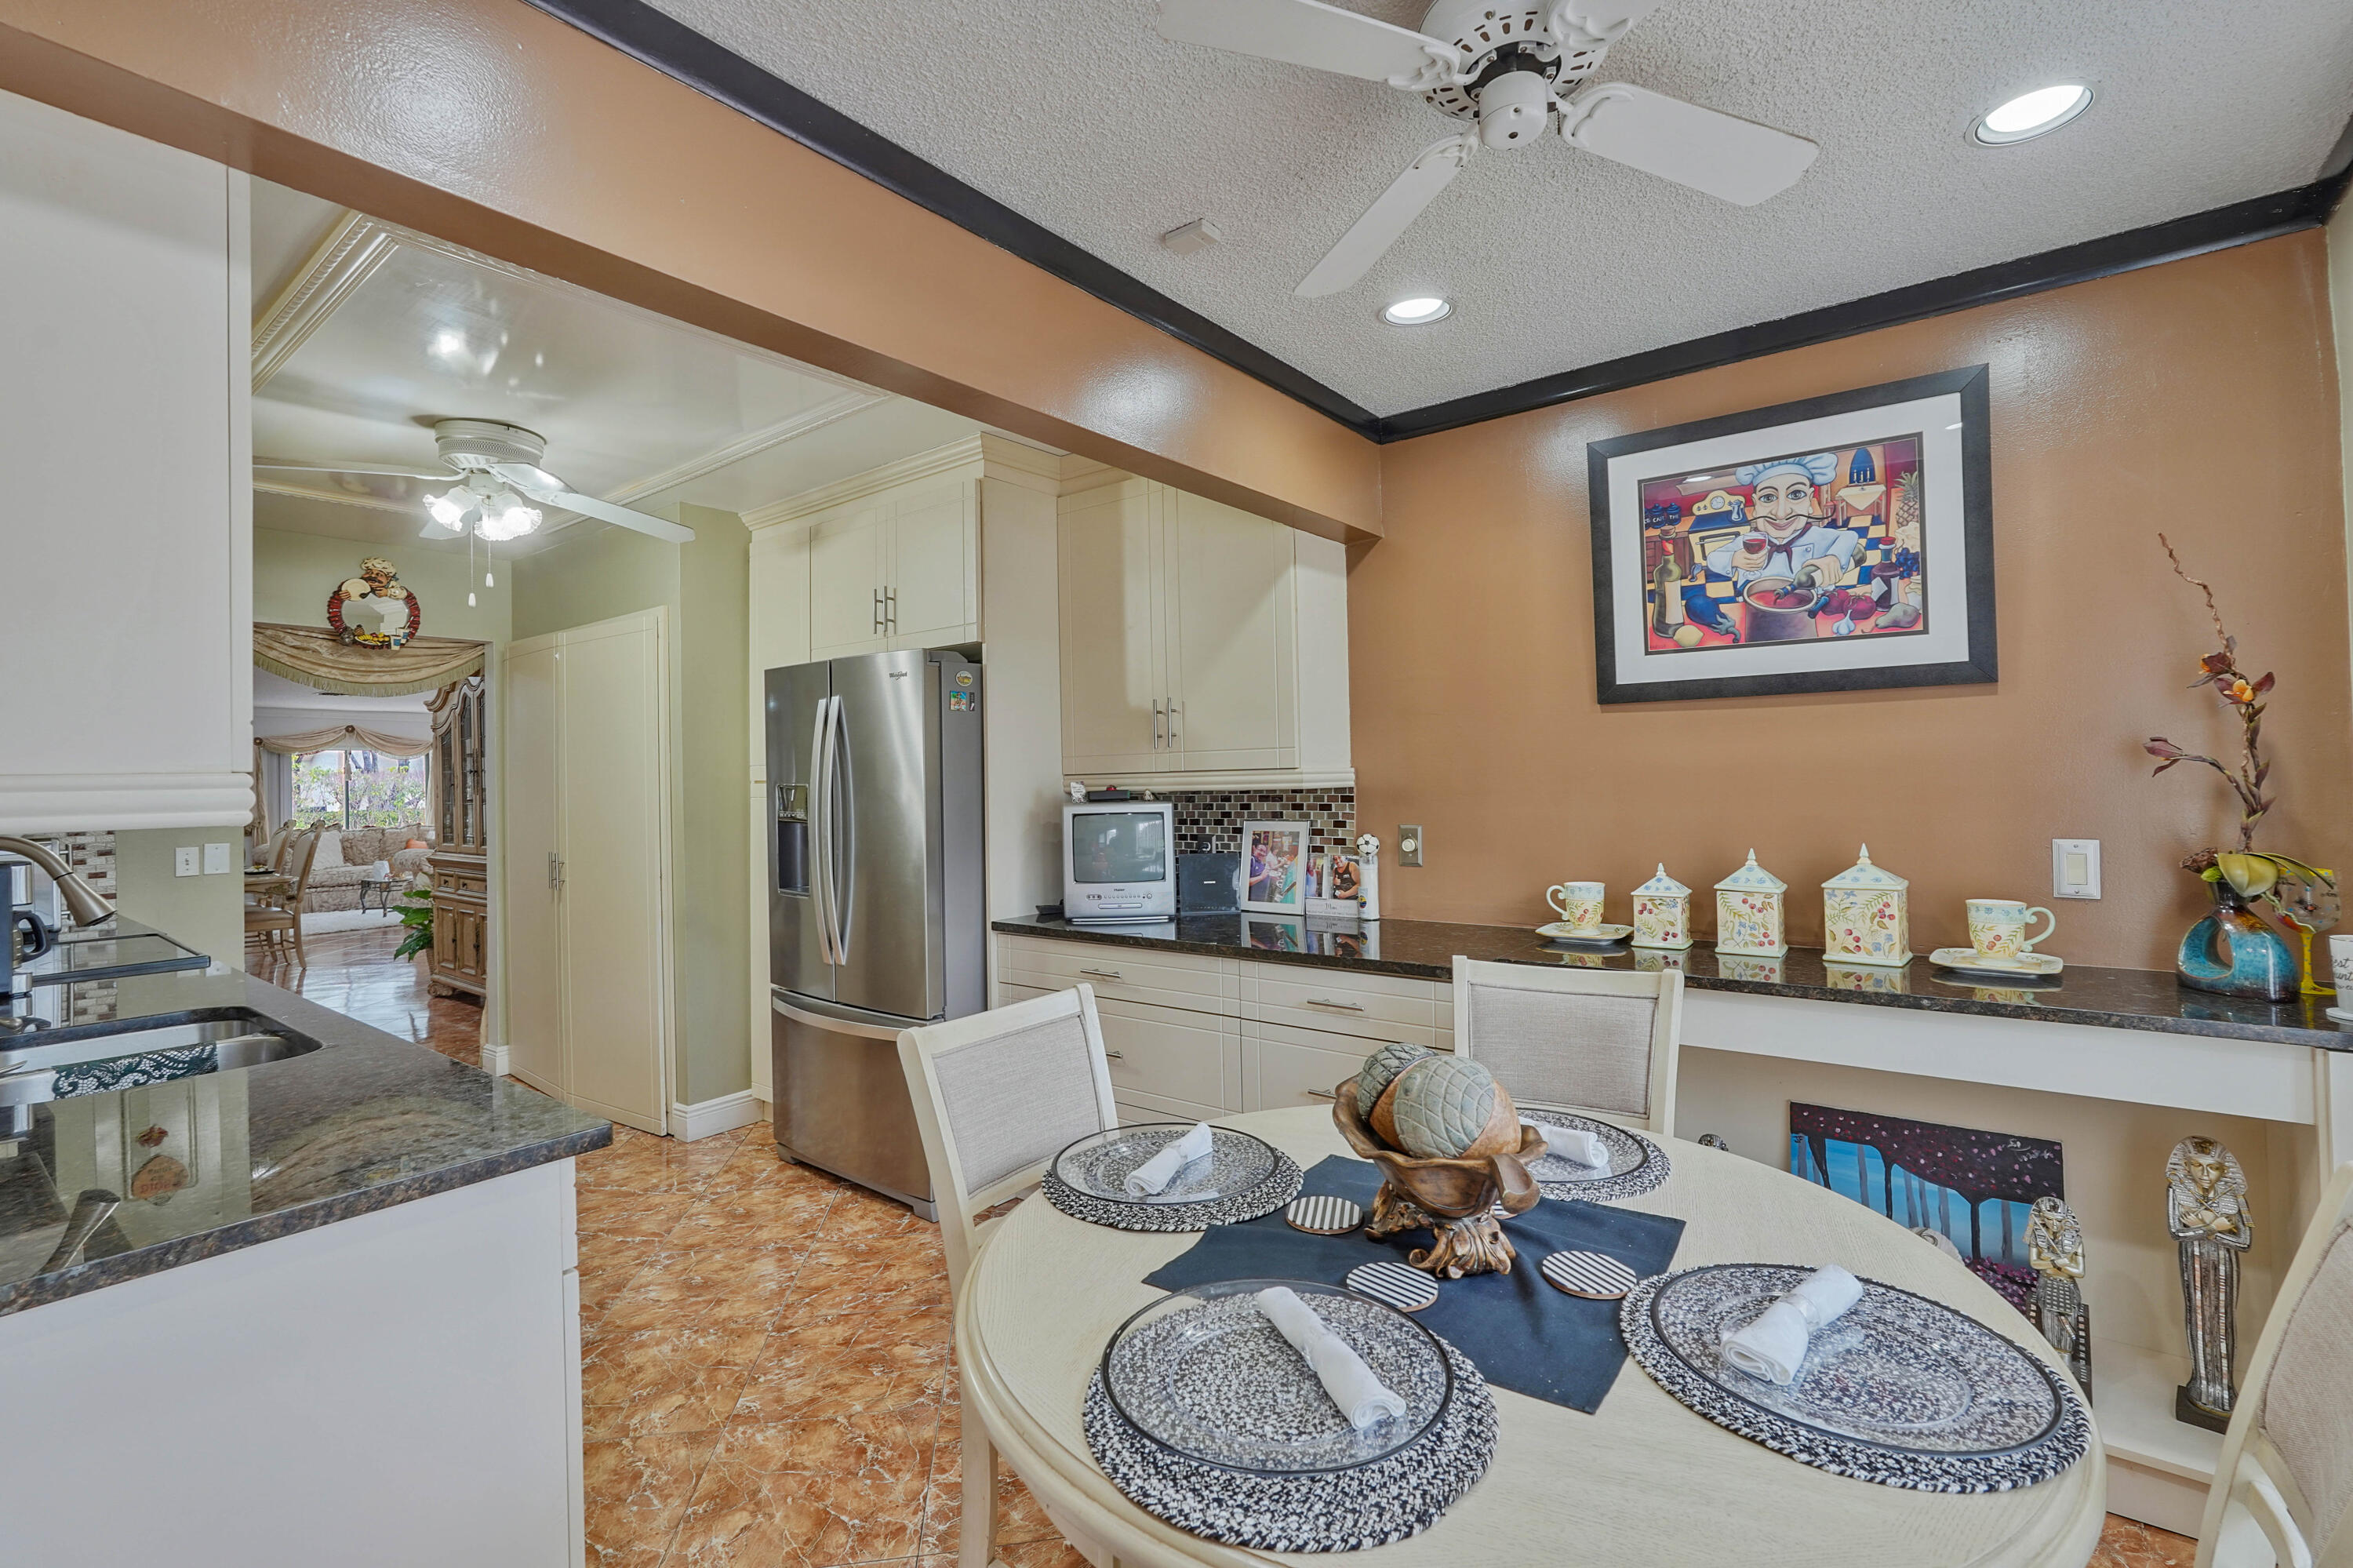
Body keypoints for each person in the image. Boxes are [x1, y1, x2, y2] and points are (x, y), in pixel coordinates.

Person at [1688, 453, 1864, 638]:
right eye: (1768, 498)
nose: (1781, 513)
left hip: (1804, 623)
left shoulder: (1818, 536)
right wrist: (1734, 559)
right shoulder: (1750, 540)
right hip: (1756, 622)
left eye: (1796, 495)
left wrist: (1834, 557)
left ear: (1810, 502)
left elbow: (1850, 537)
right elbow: (1714, 559)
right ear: (1756, 505)